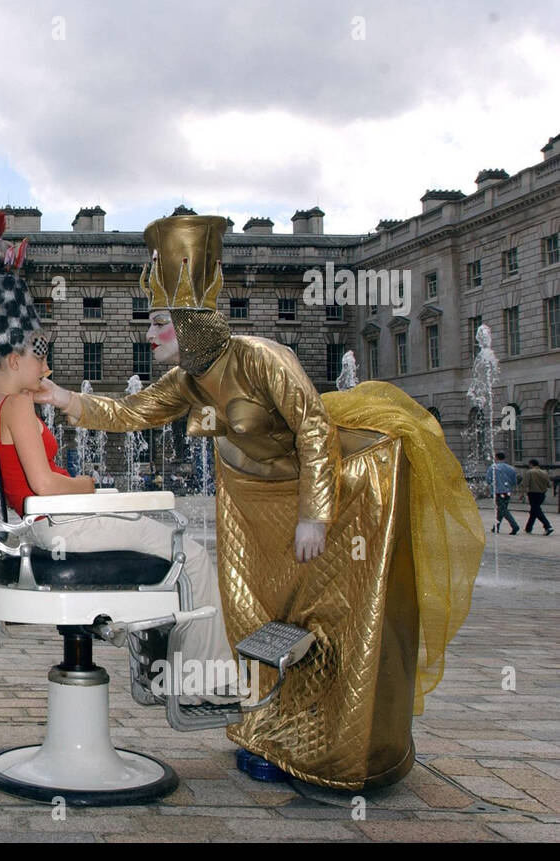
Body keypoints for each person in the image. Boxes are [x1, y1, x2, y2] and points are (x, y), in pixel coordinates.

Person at [36, 214, 483, 791]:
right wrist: (66, 397)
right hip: (266, 496)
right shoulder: (191, 380)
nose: (147, 337)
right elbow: (129, 412)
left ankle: (345, 753)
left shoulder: (261, 357)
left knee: (340, 619)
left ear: (188, 320)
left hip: (352, 487)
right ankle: (277, 732)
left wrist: (314, 515)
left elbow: (315, 430)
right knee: (267, 613)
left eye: (156, 324)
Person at [0, 210, 237, 706]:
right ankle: (205, 686)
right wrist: (90, 487)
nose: (47, 364)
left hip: (48, 528)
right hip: (61, 527)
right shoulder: (17, 404)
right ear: (13, 359)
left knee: (152, 532)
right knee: (193, 557)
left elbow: (32, 484)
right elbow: (46, 488)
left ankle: (154, 647)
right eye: (39, 354)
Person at [487, 451, 520, 534]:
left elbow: (488, 480)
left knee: (503, 510)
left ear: (496, 458)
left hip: (498, 491)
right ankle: (496, 527)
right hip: (507, 491)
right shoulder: (511, 468)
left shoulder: (493, 467)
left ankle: (514, 526)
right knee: (501, 509)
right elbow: (514, 481)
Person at [523, 459, 553, 535]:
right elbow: (549, 485)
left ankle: (547, 526)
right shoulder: (544, 472)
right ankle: (528, 528)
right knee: (534, 510)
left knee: (536, 510)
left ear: (531, 464)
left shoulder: (530, 472)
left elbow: (525, 484)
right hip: (542, 494)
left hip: (533, 493)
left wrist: (523, 493)